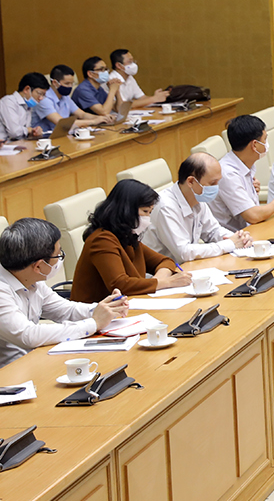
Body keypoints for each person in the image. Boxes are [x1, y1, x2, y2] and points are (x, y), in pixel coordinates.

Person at [0, 218, 130, 367]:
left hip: (35, 360)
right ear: (39, 266)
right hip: (10, 372)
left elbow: (66, 310)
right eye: (58, 255)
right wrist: (94, 323)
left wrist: (106, 308)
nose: (60, 258)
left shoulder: (32, 279)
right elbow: (29, 335)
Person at [71, 179, 192, 302]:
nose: (148, 218)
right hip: (96, 311)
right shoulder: (101, 240)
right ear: (126, 209)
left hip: (127, 305)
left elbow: (165, 261)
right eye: (145, 211)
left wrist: (159, 280)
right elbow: (120, 284)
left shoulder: (127, 236)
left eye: (150, 212)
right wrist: (166, 282)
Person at [143, 153, 254, 262]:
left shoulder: (198, 198)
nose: (216, 187)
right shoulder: (166, 207)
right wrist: (230, 244)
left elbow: (213, 231)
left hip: (189, 266)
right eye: (212, 183)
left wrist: (239, 238)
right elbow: (184, 252)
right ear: (191, 182)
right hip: (166, 270)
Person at [211, 115, 274, 232]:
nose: (266, 143)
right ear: (254, 145)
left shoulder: (245, 165)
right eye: (264, 139)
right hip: (235, 238)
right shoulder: (228, 173)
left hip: (253, 230)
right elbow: (253, 216)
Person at [37, 64, 100, 134]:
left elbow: (82, 114)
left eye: (72, 83)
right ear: (55, 83)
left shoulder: (65, 96)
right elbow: (62, 123)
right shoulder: (43, 98)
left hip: (63, 134)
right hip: (45, 137)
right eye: (67, 83)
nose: (70, 87)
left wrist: (100, 118)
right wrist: (93, 121)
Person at [0, 73, 48, 140]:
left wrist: (34, 132)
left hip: (20, 143)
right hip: (5, 144)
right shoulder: (8, 101)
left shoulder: (28, 106)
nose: (41, 98)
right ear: (26, 89)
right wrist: (28, 130)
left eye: (43, 95)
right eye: (39, 94)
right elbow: (14, 132)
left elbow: (25, 133)